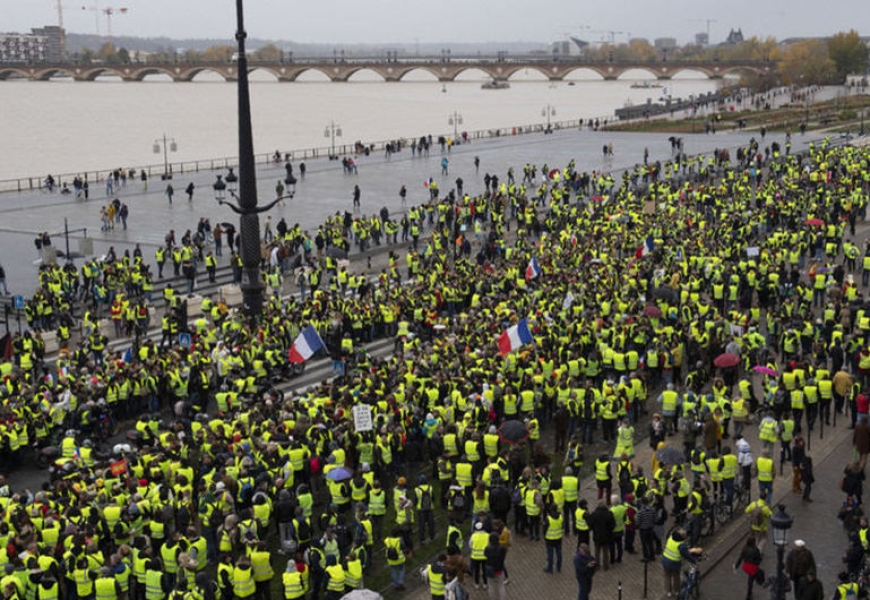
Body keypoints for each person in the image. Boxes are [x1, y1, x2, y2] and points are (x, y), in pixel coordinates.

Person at [661, 528, 701, 599]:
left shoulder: (671, 538)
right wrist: (694, 560)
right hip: (674, 563)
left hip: (665, 560)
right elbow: (686, 555)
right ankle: (676, 591)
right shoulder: (681, 545)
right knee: (676, 576)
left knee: (667, 576)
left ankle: (668, 592)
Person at [733, 536, 763, 600]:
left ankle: (750, 591)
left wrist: (736, 566)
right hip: (752, 566)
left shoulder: (744, 549)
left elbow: (740, 559)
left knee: (752, 576)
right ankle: (749, 594)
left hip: (745, 566)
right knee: (752, 578)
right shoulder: (755, 550)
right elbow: (759, 558)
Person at [484, 532, 506, 600]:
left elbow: (485, 555)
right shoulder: (502, 548)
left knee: (491, 586)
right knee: (501, 585)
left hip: (490, 569)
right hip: (499, 569)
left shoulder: (487, 548)